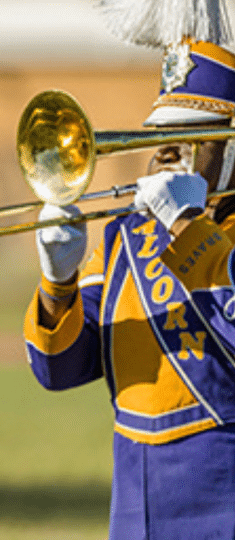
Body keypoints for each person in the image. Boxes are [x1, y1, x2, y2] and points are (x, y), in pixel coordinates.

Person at [24, 34, 235, 538]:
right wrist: (59, 282)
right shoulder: (127, 234)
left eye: (191, 138)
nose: (163, 152)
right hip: (134, 502)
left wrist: (186, 225)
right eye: (159, 135)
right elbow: (60, 368)